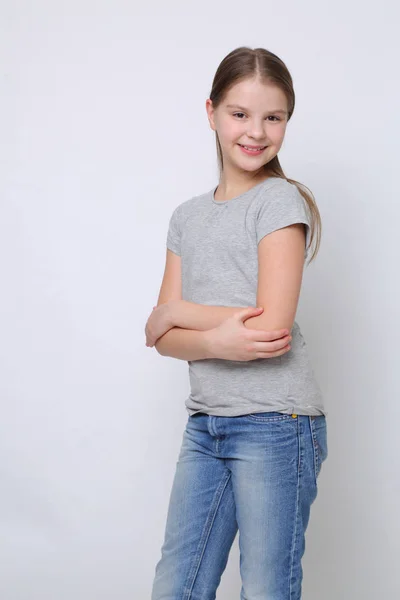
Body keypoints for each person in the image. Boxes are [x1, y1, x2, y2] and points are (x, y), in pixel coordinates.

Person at [145, 46, 328, 600]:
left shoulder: (280, 204)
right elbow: (159, 337)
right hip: (206, 425)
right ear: (211, 113)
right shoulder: (187, 216)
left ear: (287, 122)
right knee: (178, 586)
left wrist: (180, 315)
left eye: (273, 117)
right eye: (239, 114)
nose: (256, 131)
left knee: (267, 590)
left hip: (277, 422)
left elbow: (271, 328)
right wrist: (213, 334)